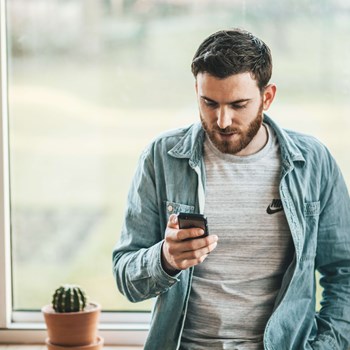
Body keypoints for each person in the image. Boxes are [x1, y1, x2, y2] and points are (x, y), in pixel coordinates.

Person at [112, 28, 350, 350]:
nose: (222, 120)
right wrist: (165, 258)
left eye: (238, 105)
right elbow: (126, 277)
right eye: (209, 103)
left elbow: (344, 272)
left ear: (267, 97)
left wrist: (325, 346)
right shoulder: (161, 158)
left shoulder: (313, 162)